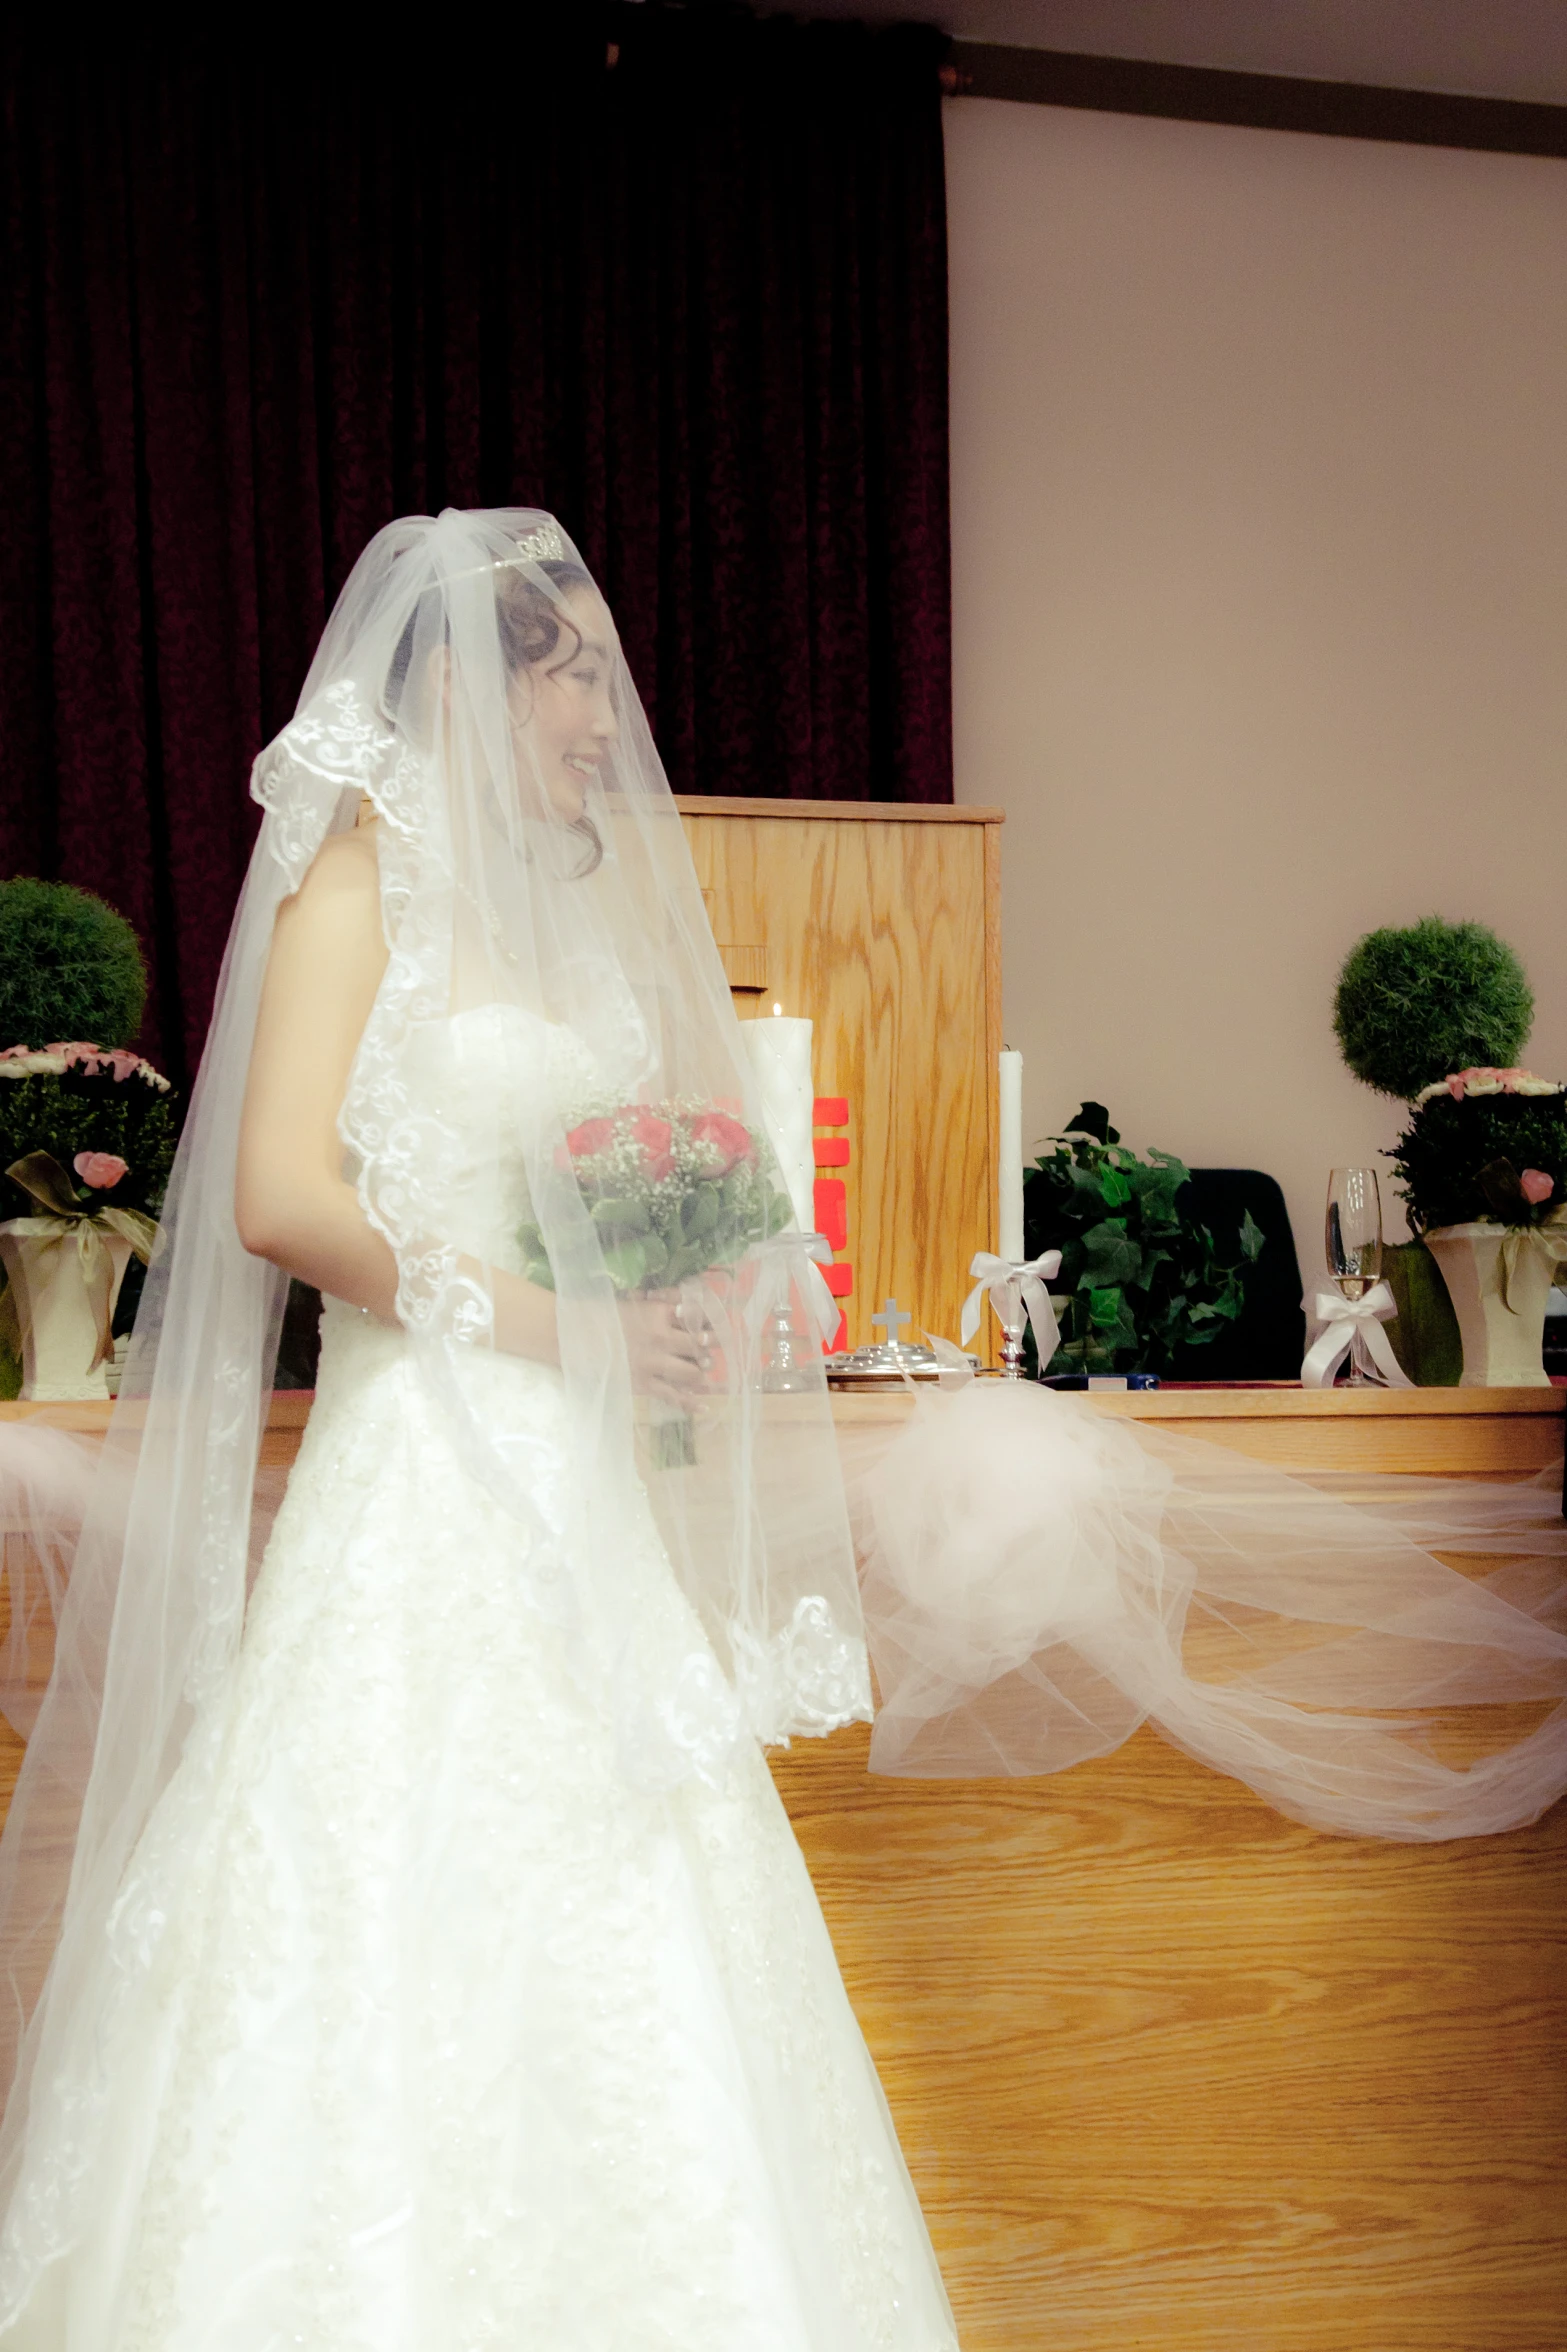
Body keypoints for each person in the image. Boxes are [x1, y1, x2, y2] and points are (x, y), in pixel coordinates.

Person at [0, 510, 960, 2347]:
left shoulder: (578, 932)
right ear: (474, 681)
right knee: (378, 1882)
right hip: (426, 1471)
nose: (608, 713)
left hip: (580, 1478)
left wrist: (688, 1287)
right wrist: (560, 1326)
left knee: (626, 1906)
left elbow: (591, 1187)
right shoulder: (352, 890)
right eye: (576, 670)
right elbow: (280, 1197)